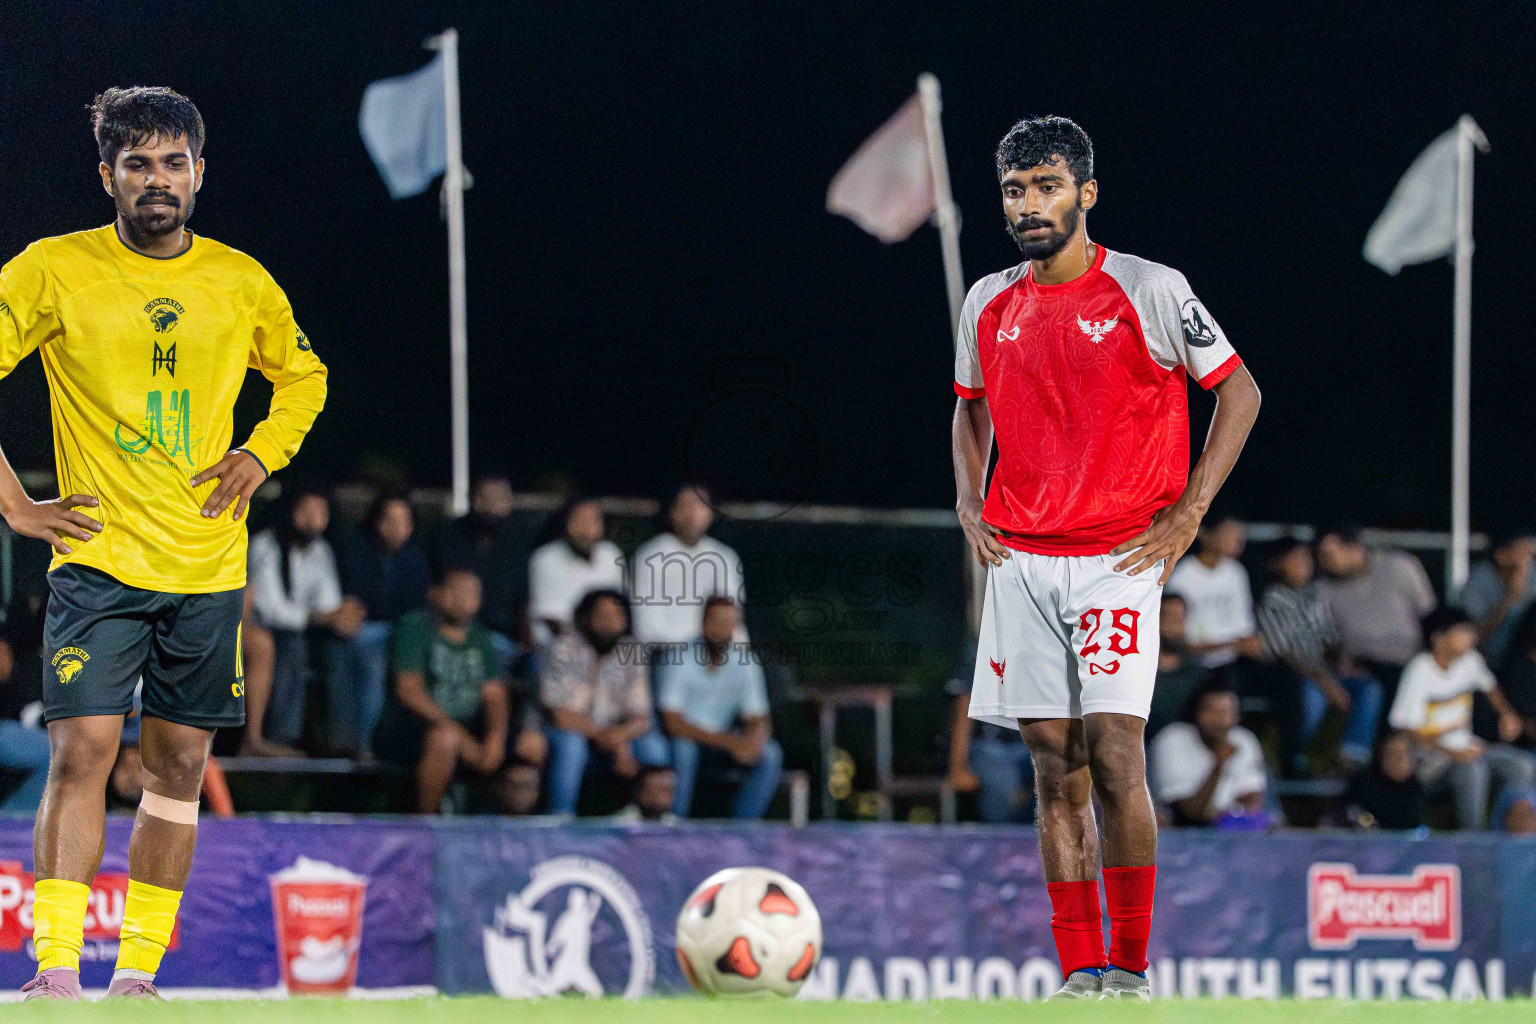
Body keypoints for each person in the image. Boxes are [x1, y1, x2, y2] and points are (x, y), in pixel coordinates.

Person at [0, 87, 326, 999]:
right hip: (99, 560)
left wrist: (261, 453)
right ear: (107, 175)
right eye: (138, 163)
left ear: (199, 174)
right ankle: (56, 971)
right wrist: (16, 505)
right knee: (84, 753)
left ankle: (138, 978)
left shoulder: (240, 279)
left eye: (174, 162)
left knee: (179, 768)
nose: (158, 180)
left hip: (207, 569)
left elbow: (303, 377)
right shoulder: (52, 269)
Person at [951, 116, 1259, 1000]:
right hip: (1021, 562)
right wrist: (970, 497)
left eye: (1047, 186)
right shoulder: (987, 301)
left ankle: (1131, 968)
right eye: (1015, 189)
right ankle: (1081, 973)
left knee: (1118, 755)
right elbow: (968, 407)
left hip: (1118, 559)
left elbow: (1239, 391)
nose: (1029, 205)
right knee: (1056, 767)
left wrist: (1191, 512)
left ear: (1086, 193)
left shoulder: (1151, 289)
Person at [371, 566, 546, 814]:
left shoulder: (480, 638)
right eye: (458, 591)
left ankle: (520, 836)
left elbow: (495, 696)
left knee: (531, 744)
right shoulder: (414, 628)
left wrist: (495, 740)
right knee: (445, 738)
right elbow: (409, 691)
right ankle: (426, 828)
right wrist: (460, 737)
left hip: (472, 731)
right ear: (436, 593)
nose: (467, 600)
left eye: (473, 593)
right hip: (413, 731)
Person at [1388, 608, 1536, 829]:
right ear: (1438, 638)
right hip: (1431, 762)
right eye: (1463, 631)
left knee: (1522, 765)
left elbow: (1490, 687)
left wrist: (1507, 714)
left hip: (1468, 750)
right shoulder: (1420, 669)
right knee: (1473, 770)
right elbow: (1405, 729)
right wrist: (1453, 753)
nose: (1471, 637)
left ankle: (1506, 834)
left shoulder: (1470, 661)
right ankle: (1473, 841)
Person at [246, 487, 364, 753]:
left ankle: (340, 742)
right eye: (306, 510)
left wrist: (343, 616)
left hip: (307, 628)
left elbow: (328, 602)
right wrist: (324, 617)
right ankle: (282, 737)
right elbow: (270, 609)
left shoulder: (321, 550)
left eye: (321, 512)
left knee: (341, 650)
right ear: (290, 511)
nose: (313, 518)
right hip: (266, 629)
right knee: (292, 646)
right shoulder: (265, 545)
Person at [1257, 537, 1383, 775]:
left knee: (1369, 687)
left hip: (1328, 671)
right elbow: (1284, 652)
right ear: (1277, 564)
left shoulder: (1314, 594)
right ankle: (1296, 755)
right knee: (1312, 697)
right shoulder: (1272, 599)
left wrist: (1343, 660)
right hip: (1297, 675)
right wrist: (1326, 682)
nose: (1305, 563)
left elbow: (1329, 637)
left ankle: (1352, 757)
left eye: (1307, 558)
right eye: (1296, 558)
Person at [540, 589, 668, 815]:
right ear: (586, 617)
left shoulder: (632, 651)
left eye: (616, 615)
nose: (609, 622)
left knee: (654, 750)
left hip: (616, 734)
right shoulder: (563, 647)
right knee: (571, 746)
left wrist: (619, 738)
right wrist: (607, 738)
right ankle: (559, 818)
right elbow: (559, 714)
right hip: (573, 731)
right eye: (601, 615)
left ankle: (656, 822)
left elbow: (641, 716)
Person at [657, 597, 781, 819]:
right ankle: (674, 823)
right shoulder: (679, 657)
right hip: (689, 739)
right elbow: (673, 723)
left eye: (728, 622)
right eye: (716, 621)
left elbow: (758, 718)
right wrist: (731, 742)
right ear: (702, 622)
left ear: (736, 626)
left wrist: (753, 743)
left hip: (723, 742)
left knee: (770, 754)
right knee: (684, 750)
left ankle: (743, 829)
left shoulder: (745, 661)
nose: (721, 629)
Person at [332, 492, 430, 757]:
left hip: (404, 633)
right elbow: (351, 601)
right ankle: (362, 744)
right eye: (390, 519)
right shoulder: (355, 550)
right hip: (364, 632)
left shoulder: (417, 559)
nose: (396, 528)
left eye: (404, 521)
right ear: (376, 521)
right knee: (367, 664)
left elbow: (415, 609)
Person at [1315, 525, 1435, 691]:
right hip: (1359, 666)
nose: (1322, 562)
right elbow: (1325, 636)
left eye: (1328, 555)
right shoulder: (1324, 588)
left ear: (1355, 547)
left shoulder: (1400, 566)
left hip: (1406, 660)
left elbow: (1429, 613)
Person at [630, 484, 746, 647]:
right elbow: (646, 627)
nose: (693, 513)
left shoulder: (725, 557)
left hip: (716, 654)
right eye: (686, 504)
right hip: (666, 654)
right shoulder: (650, 557)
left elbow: (733, 618)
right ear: (672, 512)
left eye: (701, 505)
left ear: (711, 513)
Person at [947, 643, 1035, 823]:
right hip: (991, 748)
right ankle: (1004, 846)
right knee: (1003, 785)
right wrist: (957, 766)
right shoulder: (985, 650)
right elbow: (964, 709)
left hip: (1036, 748)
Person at [1165, 513, 1262, 672]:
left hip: (1232, 662)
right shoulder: (1181, 576)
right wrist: (1230, 645)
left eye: (1238, 534)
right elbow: (1178, 637)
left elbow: (1244, 626)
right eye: (1229, 532)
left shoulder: (1236, 572)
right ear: (1207, 534)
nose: (1237, 539)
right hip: (1191, 664)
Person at [527, 498, 625, 646]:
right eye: (580, 520)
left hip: (606, 645)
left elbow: (619, 610)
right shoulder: (546, 558)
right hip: (557, 646)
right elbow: (551, 619)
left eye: (593, 521)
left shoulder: (611, 555)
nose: (586, 529)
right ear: (566, 524)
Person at [1463, 532, 1536, 670]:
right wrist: (1511, 597)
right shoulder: (1478, 581)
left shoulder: (1532, 571)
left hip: (1527, 658)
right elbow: (1476, 636)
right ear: (1501, 555)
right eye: (1522, 552)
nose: (1528, 557)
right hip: (1493, 661)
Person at [1145, 594, 1209, 740]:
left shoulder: (1198, 673)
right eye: (1169, 618)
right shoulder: (1137, 669)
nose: (1175, 626)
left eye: (1180, 619)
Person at [1344, 732, 1428, 831]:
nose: (1397, 760)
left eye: (1402, 755)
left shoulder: (1417, 788)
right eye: (1391, 754)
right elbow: (1351, 810)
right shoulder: (1364, 783)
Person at [611, 766, 680, 824]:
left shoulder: (677, 826)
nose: (657, 796)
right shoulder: (620, 824)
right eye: (652, 790)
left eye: (664, 790)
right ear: (639, 792)